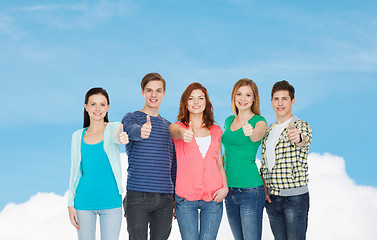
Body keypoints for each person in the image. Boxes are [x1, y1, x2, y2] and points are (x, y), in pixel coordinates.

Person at [67, 87, 129, 240]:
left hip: (111, 202)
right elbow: (75, 172)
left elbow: (120, 134)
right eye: (93, 104)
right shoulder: (77, 137)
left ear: (108, 107)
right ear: (86, 106)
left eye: (102, 104)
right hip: (83, 202)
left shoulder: (113, 128)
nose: (98, 109)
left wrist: (123, 137)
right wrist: (70, 204)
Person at [169, 82, 228, 240]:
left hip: (214, 196)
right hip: (185, 198)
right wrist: (183, 133)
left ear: (206, 102)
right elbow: (175, 132)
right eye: (191, 98)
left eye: (200, 98)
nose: (196, 102)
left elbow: (219, 164)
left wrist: (225, 188)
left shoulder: (216, 130)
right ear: (185, 103)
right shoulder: (177, 127)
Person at [121, 73, 176, 240]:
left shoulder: (169, 127)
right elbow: (128, 130)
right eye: (149, 90)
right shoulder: (133, 117)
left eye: (158, 90)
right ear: (142, 92)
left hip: (165, 198)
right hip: (138, 195)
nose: (154, 95)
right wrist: (141, 131)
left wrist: (175, 197)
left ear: (164, 93)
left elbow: (173, 164)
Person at [260, 80, 312, 240]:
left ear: (292, 101)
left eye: (284, 99)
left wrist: (299, 138)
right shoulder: (268, 130)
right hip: (272, 200)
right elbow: (265, 162)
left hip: (294, 199)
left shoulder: (300, 125)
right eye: (276, 99)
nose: (280, 103)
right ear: (271, 101)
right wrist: (264, 186)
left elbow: (304, 140)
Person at [221, 78, 267, 240]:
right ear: (234, 97)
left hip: (250, 190)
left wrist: (251, 132)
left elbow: (258, 135)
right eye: (239, 94)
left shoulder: (259, 121)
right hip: (229, 190)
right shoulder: (228, 121)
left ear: (254, 98)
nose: (243, 98)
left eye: (248, 95)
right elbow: (225, 155)